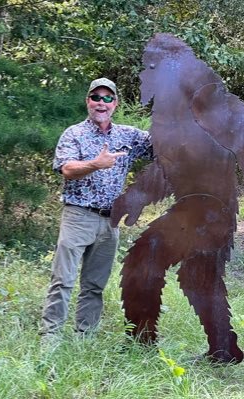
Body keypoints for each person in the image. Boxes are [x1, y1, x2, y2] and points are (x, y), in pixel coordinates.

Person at [40, 77, 152, 339]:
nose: (101, 103)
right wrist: (95, 163)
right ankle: (50, 340)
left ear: (115, 103)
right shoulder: (74, 134)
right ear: (87, 101)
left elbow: (164, 148)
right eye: (96, 98)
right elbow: (67, 169)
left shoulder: (129, 135)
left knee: (94, 286)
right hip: (78, 216)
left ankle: (84, 339)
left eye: (107, 98)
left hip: (109, 222)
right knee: (62, 282)